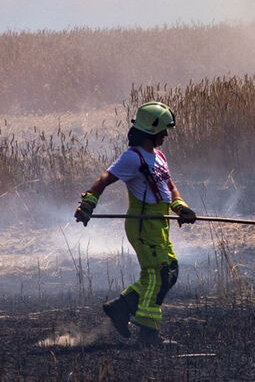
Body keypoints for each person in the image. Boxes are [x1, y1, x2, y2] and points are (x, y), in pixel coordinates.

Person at [73, 101, 196, 346]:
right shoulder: (132, 158)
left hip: (159, 222)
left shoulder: (159, 157)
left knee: (170, 270)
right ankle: (149, 335)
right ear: (151, 130)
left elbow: (169, 187)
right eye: (163, 130)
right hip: (142, 224)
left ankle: (122, 306)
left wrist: (181, 207)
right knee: (157, 274)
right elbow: (105, 179)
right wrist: (88, 203)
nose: (166, 135)